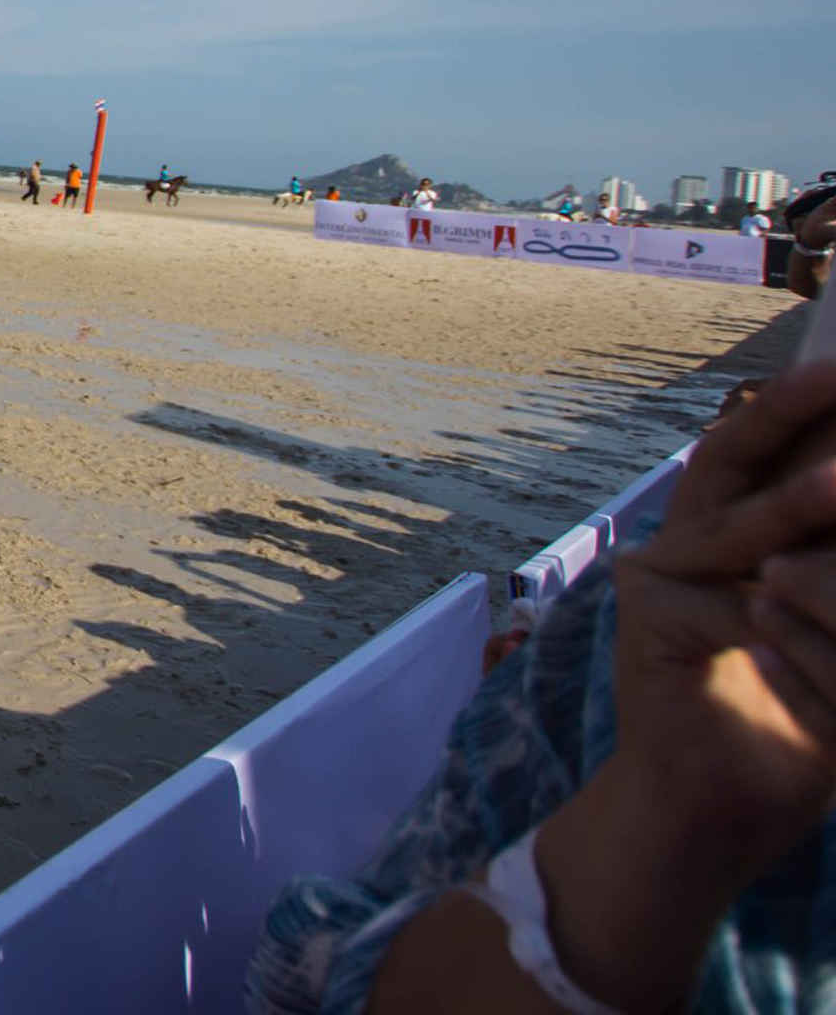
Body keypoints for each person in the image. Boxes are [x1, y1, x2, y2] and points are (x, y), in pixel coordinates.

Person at [251, 355, 836, 1015]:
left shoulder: (640, 626)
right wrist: (661, 809)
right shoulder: (649, 628)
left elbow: (303, 973)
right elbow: (302, 983)